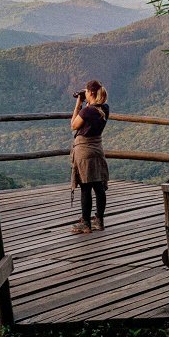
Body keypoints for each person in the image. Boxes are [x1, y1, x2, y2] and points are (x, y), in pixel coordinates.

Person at [69, 80, 110, 234]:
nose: (84, 93)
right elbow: (92, 114)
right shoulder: (104, 109)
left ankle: (85, 223)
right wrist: (86, 102)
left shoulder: (87, 111)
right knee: (99, 187)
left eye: (86, 91)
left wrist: (78, 103)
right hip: (97, 150)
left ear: (91, 93)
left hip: (84, 151)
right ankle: (99, 220)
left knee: (85, 187)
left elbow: (73, 125)